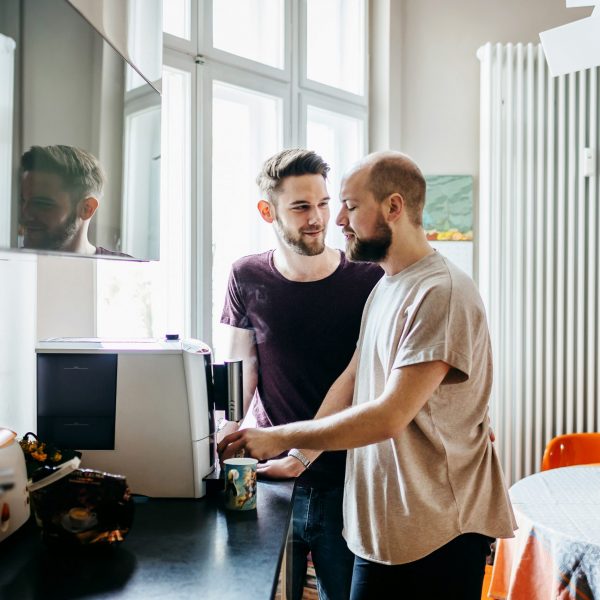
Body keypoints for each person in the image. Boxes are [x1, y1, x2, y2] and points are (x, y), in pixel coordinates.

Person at [219, 151, 517, 600]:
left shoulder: (442, 292)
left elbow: (388, 416)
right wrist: (289, 450)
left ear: (393, 208)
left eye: (348, 206)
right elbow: (354, 377)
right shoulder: (386, 285)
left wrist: (279, 437)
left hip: (438, 524)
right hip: (387, 521)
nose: (335, 219)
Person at [220, 148, 383, 600]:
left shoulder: (368, 278)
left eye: (325, 203)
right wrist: (223, 438)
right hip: (272, 481)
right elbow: (240, 369)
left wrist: (302, 454)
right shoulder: (245, 275)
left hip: (349, 480)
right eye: (301, 206)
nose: (319, 218)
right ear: (267, 211)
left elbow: (361, 380)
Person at [19, 144, 128, 256]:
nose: (24, 214)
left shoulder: (127, 270)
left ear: (87, 209)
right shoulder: (8, 265)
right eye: (21, 201)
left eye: (42, 203)